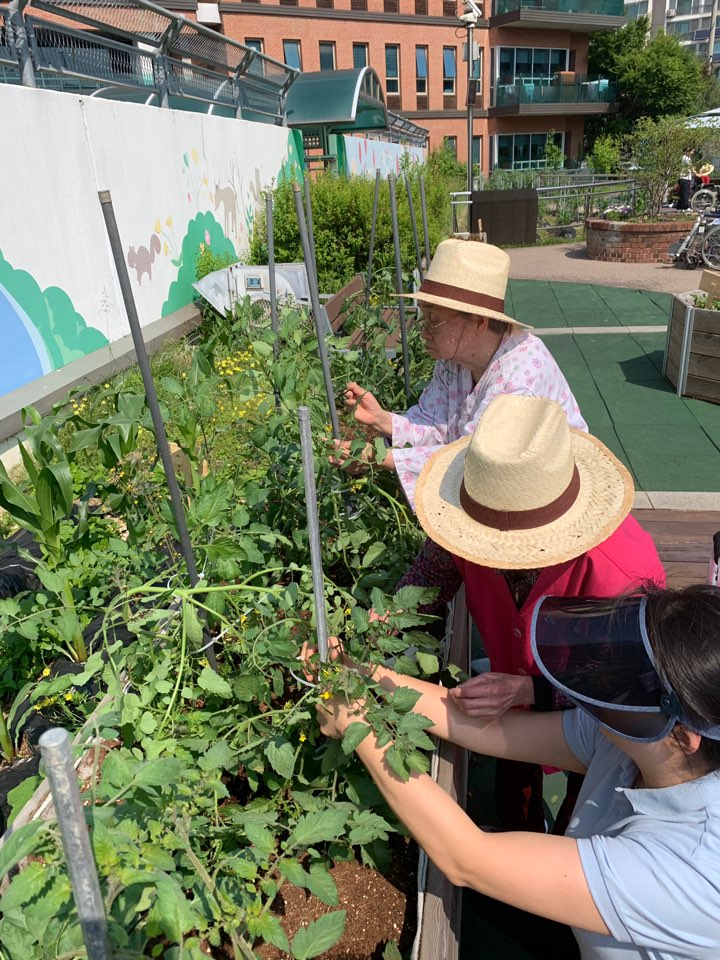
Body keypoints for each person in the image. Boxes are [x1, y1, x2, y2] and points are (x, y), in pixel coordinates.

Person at [315, 583, 720, 960]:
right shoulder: (631, 736)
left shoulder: (692, 867)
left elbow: (466, 859)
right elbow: (497, 732)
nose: (604, 683)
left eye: (628, 681)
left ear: (683, 737)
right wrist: (358, 674)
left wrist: (360, 729)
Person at [412, 394, 665, 830]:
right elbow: (427, 579)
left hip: (595, 707)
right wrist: (377, 626)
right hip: (510, 686)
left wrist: (530, 691)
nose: (493, 557)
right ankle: (519, 827)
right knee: (513, 784)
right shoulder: (472, 511)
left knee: (589, 798)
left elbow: (633, 682)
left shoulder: (625, 574)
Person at [333, 238, 586, 510]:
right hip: (495, 492)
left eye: (434, 319)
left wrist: (381, 458)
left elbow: (476, 462)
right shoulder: (455, 359)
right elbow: (435, 423)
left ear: (478, 322)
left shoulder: (520, 379)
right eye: (423, 317)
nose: (423, 330)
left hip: (543, 496)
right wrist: (383, 420)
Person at [677, 147, 696, 211]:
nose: (693, 153)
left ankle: (680, 207)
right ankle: (685, 207)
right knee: (685, 193)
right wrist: (695, 173)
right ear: (688, 151)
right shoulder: (685, 158)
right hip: (684, 178)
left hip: (686, 178)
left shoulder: (687, 158)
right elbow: (690, 167)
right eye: (692, 151)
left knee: (682, 193)